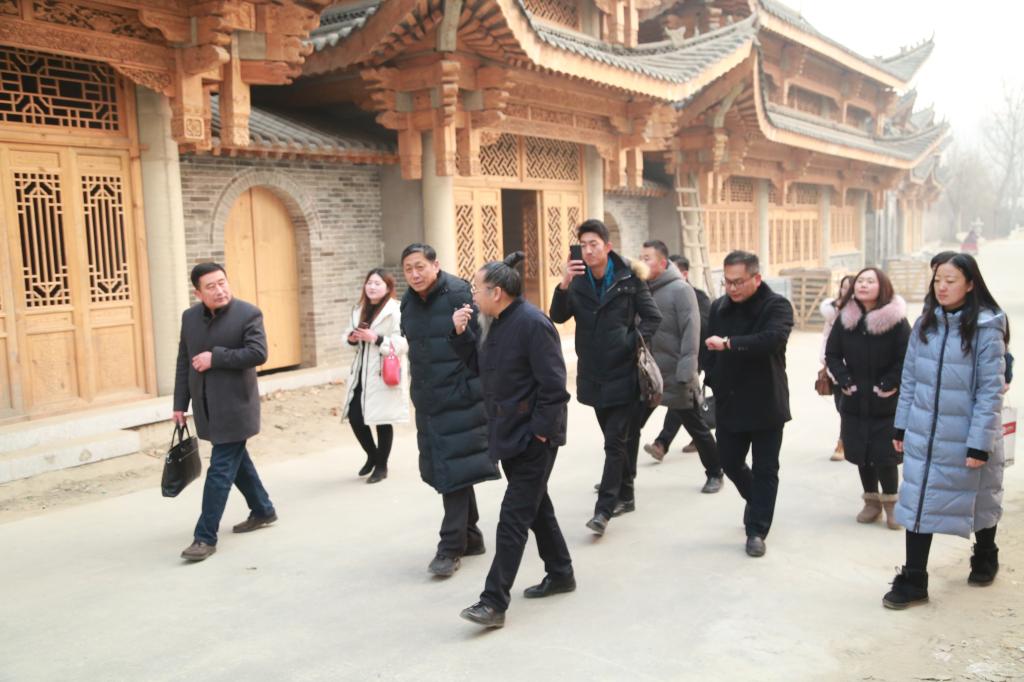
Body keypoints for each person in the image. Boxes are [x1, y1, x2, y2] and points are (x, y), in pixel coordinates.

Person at [451, 252, 574, 629]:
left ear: (497, 292)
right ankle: (561, 572)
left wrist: (540, 432)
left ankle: (493, 602)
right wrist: (462, 335)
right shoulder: (495, 323)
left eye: (477, 288)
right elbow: (481, 368)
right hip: (508, 431)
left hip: (533, 437)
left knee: (513, 517)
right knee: (536, 507)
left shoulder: (533, 324)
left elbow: (554, 386)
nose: (473, 296)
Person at [883, 253, 1009, 609]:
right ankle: (914, 580)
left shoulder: (986, 328)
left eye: (950, 281)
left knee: (980, 496)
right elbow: (910, 379)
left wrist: (979, 444)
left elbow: (990, 390)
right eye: (938, 280)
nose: (942, 287)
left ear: (970, 284)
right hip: (924, 431)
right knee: (918, 499)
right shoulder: (926, 323)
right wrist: (901, 425)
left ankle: (985, 554)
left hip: (968, 434)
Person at [550, 219, 661, 536]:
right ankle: (627, 494)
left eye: (593, 244)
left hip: (624, 372)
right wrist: (564, 282)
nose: (587, 251)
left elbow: (653, 317)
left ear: (607, 246)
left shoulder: (629, 278)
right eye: (583, 245)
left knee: (614, 443)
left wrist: (631, 342)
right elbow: (557, 316)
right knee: (617, 441)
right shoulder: (577, 281)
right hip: (594, 373)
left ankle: (604, 510)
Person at [400, 243, 499, 577]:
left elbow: (481, 342)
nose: (415, 274)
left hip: (460, 397)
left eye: (420, 266)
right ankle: (471, 536)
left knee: (451, 470)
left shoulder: (458, 294)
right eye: (408, 269)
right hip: (429, 398)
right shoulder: (409, 301)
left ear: (436, 265)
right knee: (451, 466)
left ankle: (450, 547)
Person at [173, 263, 276, 562]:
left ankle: (204, 537)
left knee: (219, 470)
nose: (219, 290)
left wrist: (215, 358)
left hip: (236, 407)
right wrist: (179, 403)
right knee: (236, 461)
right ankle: (263, 509)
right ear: (198, 293)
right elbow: (184, 360)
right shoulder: (190, 318)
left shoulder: (248, 314)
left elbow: (258, 353)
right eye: (211, 286)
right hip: (205, 406)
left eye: (222, 282)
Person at [704, 250, 793, 557]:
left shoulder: (776, 306)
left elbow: (772, 340)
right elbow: (708, 348)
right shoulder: (719, 307)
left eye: (738, 282)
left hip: (766, 400)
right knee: (729, 461)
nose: (732, 288)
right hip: (730, 400)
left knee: (766, 468)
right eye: (727, 282)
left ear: (757, 278)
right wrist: (711, 376)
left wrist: (730, 344)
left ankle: (757, 530)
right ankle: (758, 502)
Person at [825, 268, 910, 529]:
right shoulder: (845, 319)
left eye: (870, 281)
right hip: (854, 397)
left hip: (886, 399)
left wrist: (891, 382)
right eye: (860, 281)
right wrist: (844, 380)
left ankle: (892, 504)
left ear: (882, 286)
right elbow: (832, 354)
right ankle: (871, 502)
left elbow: (907, 356)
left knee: (885, 454)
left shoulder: (896, 321)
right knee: (861, 452)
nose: (863, 285)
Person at [639, 241, 723, 494]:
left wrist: (687, 371)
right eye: (641, 257)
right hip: (647, 374)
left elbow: (691, 331)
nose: (642, 262)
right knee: (627, 428)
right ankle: (618, 480)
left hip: (675, 372)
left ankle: (715, 473)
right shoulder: (641, 289)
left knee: (696, 427)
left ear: (663, 263)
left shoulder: (681, 290)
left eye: (648, 258)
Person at [341, 268, 409, 484]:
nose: (372, 287)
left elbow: (403, 344)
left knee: (382, 419)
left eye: (377, 283)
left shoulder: (396, 311)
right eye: (369, 282)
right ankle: (372, 455)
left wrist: (377, 339)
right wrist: (352, 339)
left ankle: (381, 466)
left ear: (388, 288)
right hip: (361, 373)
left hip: (382, 372)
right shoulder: (358, 309)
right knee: (355, 416)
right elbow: (347, 337)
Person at [667, 254, 713, 455]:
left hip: (694, 358)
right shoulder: (660, 294)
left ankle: (663, 441)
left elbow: (703, 327)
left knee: (682, 400)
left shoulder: (698, 297)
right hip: (667, 360)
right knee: (681, 401)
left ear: (684, 274)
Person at [820, 275, 854, 461]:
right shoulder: (832, 312)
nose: (845, 290)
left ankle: (842, 443)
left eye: (850, 287)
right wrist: (824, 358)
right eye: (843, 287)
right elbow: (826, 336)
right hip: (835, 367)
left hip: (853, 369)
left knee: (845, 407)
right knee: (840, 406)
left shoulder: (862, 312)